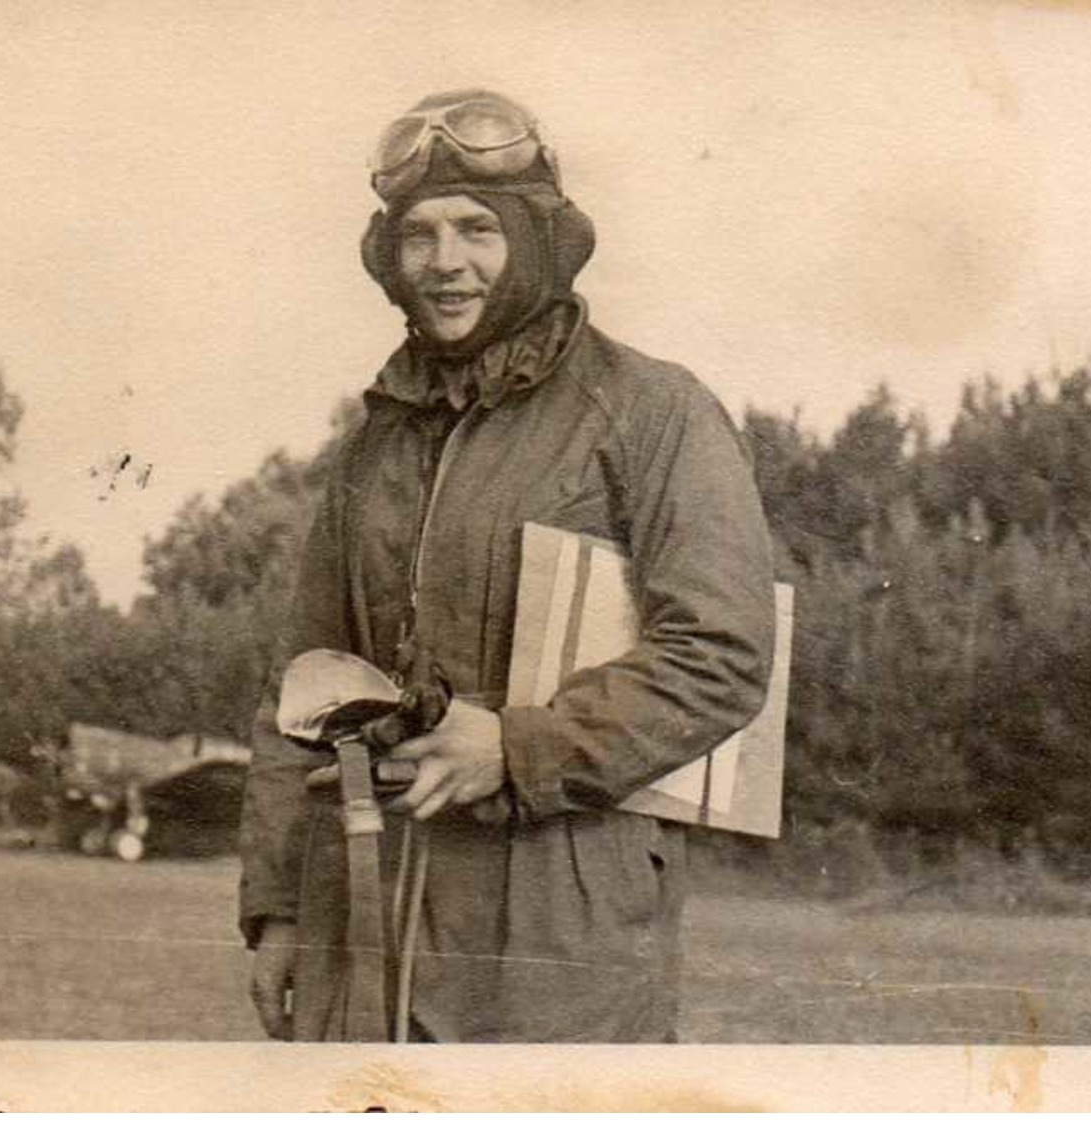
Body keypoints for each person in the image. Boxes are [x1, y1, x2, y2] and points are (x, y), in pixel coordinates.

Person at [238, 90, 776, 1043]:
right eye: (420, 236)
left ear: (535, 240)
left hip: (555, 932)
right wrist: (279, 908)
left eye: (478, 229)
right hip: (358, 916)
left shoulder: (655, 414)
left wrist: (518, 749)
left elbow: (721, 655)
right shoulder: (374, 440)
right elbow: (303, 681)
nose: (446, 263)